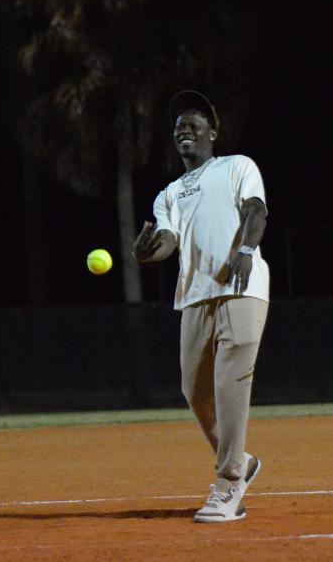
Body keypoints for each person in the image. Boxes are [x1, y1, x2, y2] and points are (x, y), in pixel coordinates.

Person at [133, 90, 270, 523]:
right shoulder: (168, 194)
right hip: (193, 297)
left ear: (213, 132)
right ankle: (242, 462)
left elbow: (255, 210)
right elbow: (167, 241)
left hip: (240, 289)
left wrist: (247, 248)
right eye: (178, 125)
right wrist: (147, 254)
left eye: (195, 122)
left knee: (231, 387)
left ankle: (229, 486)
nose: (184, 128)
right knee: (194, 392)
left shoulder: (237, 166)